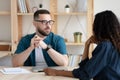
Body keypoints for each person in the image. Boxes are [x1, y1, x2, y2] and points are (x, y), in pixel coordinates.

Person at [44, 10, 120, 80]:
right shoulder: (113, 45)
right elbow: (85, 68)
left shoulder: (105, 46)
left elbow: (84, 74)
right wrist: (87, 45)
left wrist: (56, 72)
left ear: (99, 28)